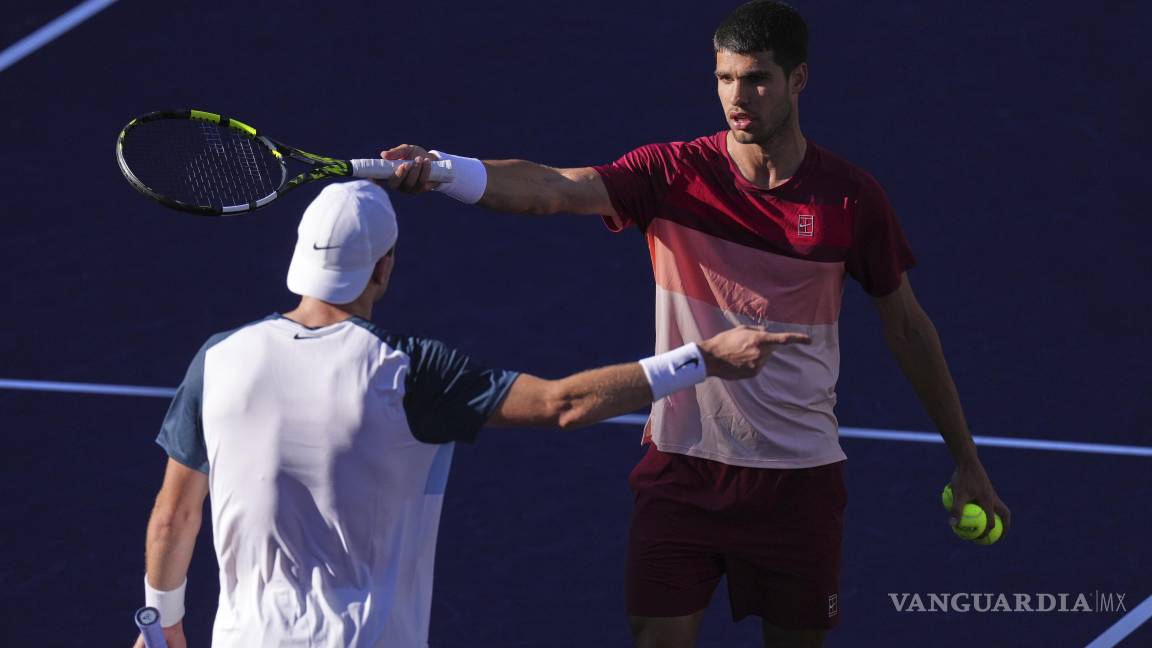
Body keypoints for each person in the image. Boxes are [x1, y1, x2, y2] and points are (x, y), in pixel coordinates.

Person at [381, 1, 1011, 646]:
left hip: (799, 483)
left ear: (798, 79)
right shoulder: (671, 173)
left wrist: (966, 458)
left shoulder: (850, 199)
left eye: (758, 79)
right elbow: (555, 188)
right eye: (725, 78)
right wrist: (442, 171)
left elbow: (908, 329)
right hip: (681, 472)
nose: (739, 97)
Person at [132, 180, 809, 648]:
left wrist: (158, 621)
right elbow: (562, 404)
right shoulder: (406, 372)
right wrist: (704, 358)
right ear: (384, 270)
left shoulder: (217, 360)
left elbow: (173, 514)